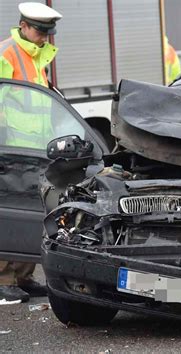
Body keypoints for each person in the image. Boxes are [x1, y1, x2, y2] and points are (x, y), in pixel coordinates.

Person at [0, 2, 62, 302]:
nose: (44, 37)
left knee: (32, 209)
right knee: (9, 211)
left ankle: (23, 276)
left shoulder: (36, 55)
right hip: (11, 148)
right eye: (40, 31)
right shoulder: (7, 52)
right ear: (23, 25)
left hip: (34, 148)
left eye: (47, 33)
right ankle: (4, 278)